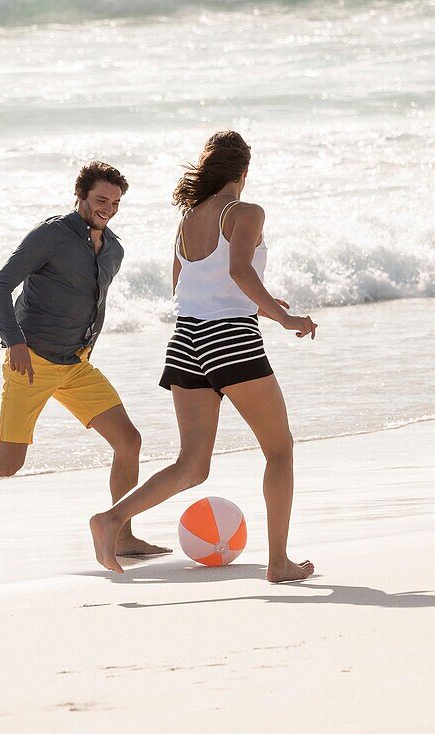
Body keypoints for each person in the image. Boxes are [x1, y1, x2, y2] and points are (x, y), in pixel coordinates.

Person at [0, 161, 169, 558]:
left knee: (129, 441)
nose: (108, 208)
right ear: (80, 195)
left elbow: (93, 303)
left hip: (76, 366)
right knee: (7, 462)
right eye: (101, 199)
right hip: (31, 364)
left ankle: (122, 534)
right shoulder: (50, 236)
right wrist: (13, 341)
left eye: (115, 202)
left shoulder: (113, 249)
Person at [89, 131, 317, 583]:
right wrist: (281, 319)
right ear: (243, 172)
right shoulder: (245, 212)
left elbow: (184, 287)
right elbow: (238, 269)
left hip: (185, 340)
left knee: (192, 465)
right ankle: (278, 563)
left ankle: (111, 520)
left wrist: (261, 303)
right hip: (230, 339)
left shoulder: (188, 220)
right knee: (279, 450)